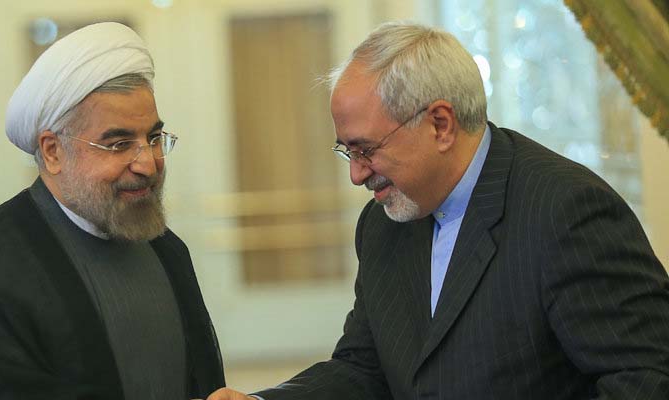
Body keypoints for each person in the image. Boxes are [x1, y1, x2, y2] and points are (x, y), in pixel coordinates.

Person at [209, 21, 669, 400]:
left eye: (366, 149)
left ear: (441, 125)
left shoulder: (565, 211)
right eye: (346, 151)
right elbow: (366, 369)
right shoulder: (383, 223)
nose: (356, 174)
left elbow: (646, 378)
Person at [0, 22, 224, 400]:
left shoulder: (165, 249)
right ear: (53, 152)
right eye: (119, 144)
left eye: (153, 138)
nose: (148, 163)